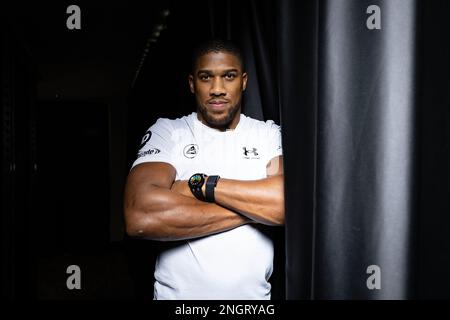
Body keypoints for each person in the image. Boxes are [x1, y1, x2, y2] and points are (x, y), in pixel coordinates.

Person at [123, 39, 284, 300]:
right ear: (191, 83)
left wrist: (197, 185)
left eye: (228, 76)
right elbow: (140, 215)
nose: (217, 89)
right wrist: (256, 208)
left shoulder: (267, 135)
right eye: (206, 77)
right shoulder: (169, 132)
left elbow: (285, 203)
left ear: (243, 81)